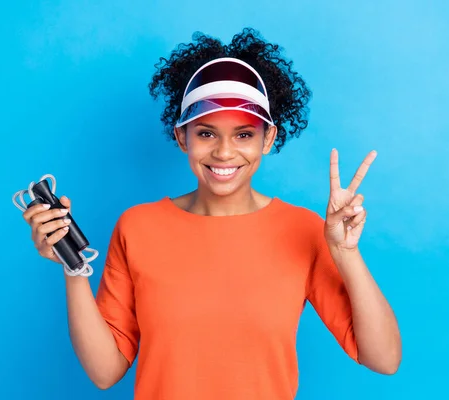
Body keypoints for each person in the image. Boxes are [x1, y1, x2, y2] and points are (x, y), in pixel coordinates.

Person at [22, 28, 401, 399]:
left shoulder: (302, 229)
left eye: (243, 134)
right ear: (181, 136)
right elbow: (105, 372)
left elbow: (384, 359)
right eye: (205, 133)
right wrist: (73, 268)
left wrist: (346, 254)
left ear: (267, 139)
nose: (223, 152)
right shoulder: (138, 227)